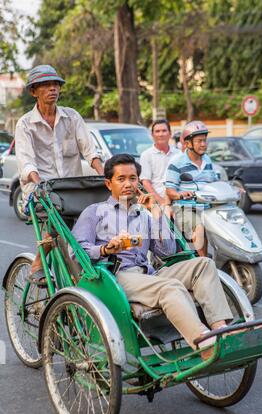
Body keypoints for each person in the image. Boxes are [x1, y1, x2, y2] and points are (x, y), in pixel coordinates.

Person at [72, 153, 238, 360]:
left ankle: (219, 327)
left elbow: (167, 253)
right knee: (171, 287)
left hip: (148, 274)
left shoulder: (143, 214)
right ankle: (203, 342)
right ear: (108, 184)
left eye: (132, 179)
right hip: (115, 276)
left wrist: (156, 214)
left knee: (203, 264)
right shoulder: (94, 212)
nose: (128, 184)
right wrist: (105, 249)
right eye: (121, 179)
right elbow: (76, 253)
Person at [15, 64, 104, 285]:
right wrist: (39, 183)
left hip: (70, 189)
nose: (52, 89)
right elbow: (27, 162)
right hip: (38, 190)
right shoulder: (25, 124)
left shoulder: (72, 117)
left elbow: (90, 151)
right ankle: (38, 262)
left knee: (100, 214)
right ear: (34, 91)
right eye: (46, 85)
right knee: (58, 216)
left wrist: (106, 176)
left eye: (55, 84)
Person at [165, 120, 220, 257]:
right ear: (188, 143)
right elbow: (170, 190)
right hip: (185, 208)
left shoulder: (208, 160)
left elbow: (215, 184)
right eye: (199, 141)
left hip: (208, 207)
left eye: (205, 140)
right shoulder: (177, 162)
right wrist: (181, 195)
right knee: (199, 227)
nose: (203, 144)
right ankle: (204, 262)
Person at [140, 119, 181, 206]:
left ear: (170, 133)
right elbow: (146, 182)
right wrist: (161, 201)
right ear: (152, 135)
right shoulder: (146, 155)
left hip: (178, 200)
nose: (161, 134)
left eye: (164, 131)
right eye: (157, 131)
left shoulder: (179, 154)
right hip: (157, 202)